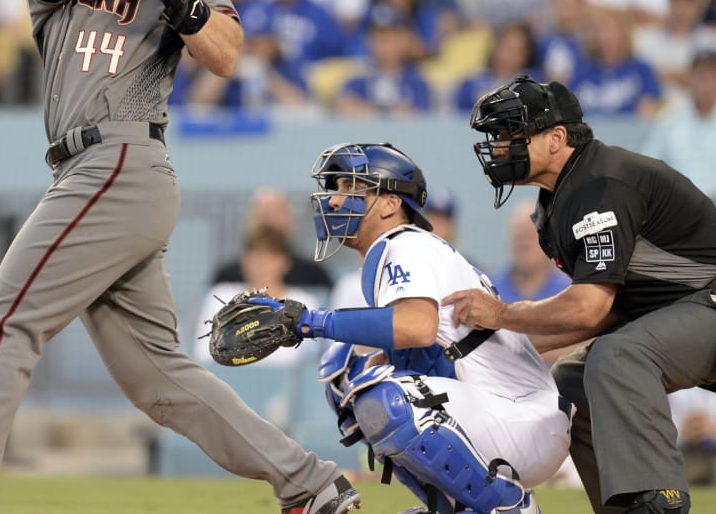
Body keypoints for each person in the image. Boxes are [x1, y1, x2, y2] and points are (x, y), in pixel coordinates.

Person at [0, 0, 359, 514]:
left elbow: (227, 55)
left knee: (2, 319)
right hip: (88, 170)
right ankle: (312, 484)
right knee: (158, 378)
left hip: (121, 159)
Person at [448, 76, 716, 514]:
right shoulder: (558, 200)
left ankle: (659, 502)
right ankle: (624, 506)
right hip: (694, 314)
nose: (501, 147)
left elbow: (588, 309)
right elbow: (609, 311)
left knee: (618, 357)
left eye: (513, 134)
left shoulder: (602, 184)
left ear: (556, 138)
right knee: (572, 379)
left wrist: (501, 313)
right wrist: (468, 353)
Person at [251, 142, 570, 513]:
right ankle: (452, 506)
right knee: (345, 370)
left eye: (353, 188)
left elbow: (416, 327)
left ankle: (506, 506)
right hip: (504, 413)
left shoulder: (405, 245)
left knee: (386, 399)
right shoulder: (404, 249)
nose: (336, 201)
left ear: (390, 204)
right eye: (335, 189)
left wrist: (313, 322)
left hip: (522, 418)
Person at [195, 224, 322, 369]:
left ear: (285, 262)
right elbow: (205, 353)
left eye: (270, 255)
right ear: (244, 260)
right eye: (255, 255)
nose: (261, 263)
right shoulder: (221, 295)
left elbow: (308, 359)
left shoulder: (304, 302)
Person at [642, 49, 716, 212]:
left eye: (712, 76)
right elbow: (647, 167)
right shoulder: (669, 119)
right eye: (700, 75)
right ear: (689, 79)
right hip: (678, 211)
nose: (706, 83)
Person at [211, 187, 334, 290]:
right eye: (263, 213)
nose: (269, 221)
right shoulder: (227, 277)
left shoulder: (314, 275)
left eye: (276, 213)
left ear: (291, 221)